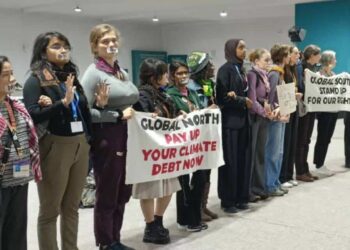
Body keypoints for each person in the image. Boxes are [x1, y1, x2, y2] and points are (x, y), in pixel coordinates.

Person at [23, 32, 91, 250]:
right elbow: (32, 115)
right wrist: (60, 103)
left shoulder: (70, 76)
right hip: (54, 145)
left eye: (66, 46)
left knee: (71, 207)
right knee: (50, 210)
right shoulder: (35, 80)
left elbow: (82, 110)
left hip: (80, 144)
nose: (63, 50)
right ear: (44, 51)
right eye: (56, 46)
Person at [81, 24, 138, 250]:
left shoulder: (119, 71)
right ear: (95, 46)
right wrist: (114, 115)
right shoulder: (93, 73)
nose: (111, 44)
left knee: (123, 192)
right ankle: (106, 242)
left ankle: (116, 238)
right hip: (107, 137)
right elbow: (84, 111)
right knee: (108, 192)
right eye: (104, 41)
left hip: (126, 135)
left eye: (113, 40)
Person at [132, 58, 181, 244]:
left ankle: (158, 220)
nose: (167, 77)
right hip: (149, 151)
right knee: (148, 190)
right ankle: (150, 225)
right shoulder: (141, 95)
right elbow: (142, 119)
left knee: (168, 187)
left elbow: (171, 113)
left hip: (166, 150)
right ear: (154, 77)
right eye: (164, 74)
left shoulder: (164, 94)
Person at [0, 56, 41, 250]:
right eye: (5, 75)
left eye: (12, 73)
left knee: (16, 231)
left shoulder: (16, 105)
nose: (11, 79)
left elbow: (30, 134)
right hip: (1, 179)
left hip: (19, 175)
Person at [166, 61, 207, 232]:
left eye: (185, 73)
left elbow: (198, 110)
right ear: (172, 76)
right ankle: (186, 219)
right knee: (183, 183)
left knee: (199, 179)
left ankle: (195, 215)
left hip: (196, 143)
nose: (183, 76)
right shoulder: (170, 94)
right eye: (179, 73)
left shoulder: (192, 93)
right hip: (181, 144)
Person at [216, 39, 252, 213]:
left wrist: (239, 97)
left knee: (242, 160)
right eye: (241, 47)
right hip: (230, 123)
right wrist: (240, 100)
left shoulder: (241, 69)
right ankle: (228, 200)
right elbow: (221, 97)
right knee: (230, 162)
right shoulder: (225, 70)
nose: (244, 50)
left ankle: (241, 196)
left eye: (245, 47)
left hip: (244, 121)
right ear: (231, 49)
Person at [187, 51, 218, 221]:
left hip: (209, 134)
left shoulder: (208, 84)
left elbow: (211, 102)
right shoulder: (190, 88)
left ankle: (203, 205)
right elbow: (193, 111)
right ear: (202, 69)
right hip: (196, 137)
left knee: (207, 171)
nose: (212, 67)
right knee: (198, 174)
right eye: (209, 65)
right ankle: (195, 207)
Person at [264, 44, 291, 197]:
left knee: (279, 151)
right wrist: (278, 107)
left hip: (282, 115)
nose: (289, 58)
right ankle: (269, 184)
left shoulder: (280, 73)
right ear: (282, 56)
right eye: (287, 55)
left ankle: (275, 181)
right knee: (273, 152)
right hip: (275, 116)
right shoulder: (274, 73)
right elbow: (271, 95)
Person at [247, 48, 272, 201]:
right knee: (252, 153)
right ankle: (249, 188)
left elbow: (266, 97)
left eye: (269, 59)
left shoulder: (265, 75)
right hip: (255, 118)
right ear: (256, 61)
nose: (268, 63)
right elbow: (252, 98)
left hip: (263, 116)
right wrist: (264, 112)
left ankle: (259, 186)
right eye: (265, 60)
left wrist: (269, 109)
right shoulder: (252, 74)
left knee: (261, 153)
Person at [295, 44, 321, 182]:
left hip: (311, 107)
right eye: (318, 54)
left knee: (307, 139)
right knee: (301, 140)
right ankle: (300, 171)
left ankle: (305, 168)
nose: (320, 57)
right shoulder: (301, 67)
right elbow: (300, 85)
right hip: (303, 108)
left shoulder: (313, 68)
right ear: (312, 55)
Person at [279, 46, 302, 188]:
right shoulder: (282, 71)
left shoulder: (294, 70)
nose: (297, 55)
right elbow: (281, 91)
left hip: (294, 108)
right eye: (294, 53)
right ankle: (282, 177)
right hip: (285, 109)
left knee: (292, 142)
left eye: (298, 53)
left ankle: (289, 174)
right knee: (285, 144)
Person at [313, 50, 338, 177]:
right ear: (328, 60)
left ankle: (321, 162)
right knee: (322, 137)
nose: (336, 61)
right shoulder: (319, 74)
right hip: (324, 111)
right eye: (334, 58)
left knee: (327, 138)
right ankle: (319, 164)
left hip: (333, 110)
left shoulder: (333, 74)